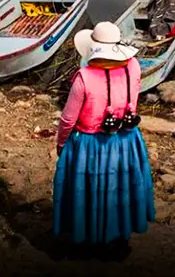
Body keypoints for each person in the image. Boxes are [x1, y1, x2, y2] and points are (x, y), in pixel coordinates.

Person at [52, 21, 156, 256]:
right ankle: (118, 239)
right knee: (121, 187)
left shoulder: (84, 77)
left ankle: (91, 238)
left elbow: (68, 119)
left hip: (91, 144)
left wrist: (61, 144)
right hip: (127, 139)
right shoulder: (135, 67)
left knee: (90, 189)